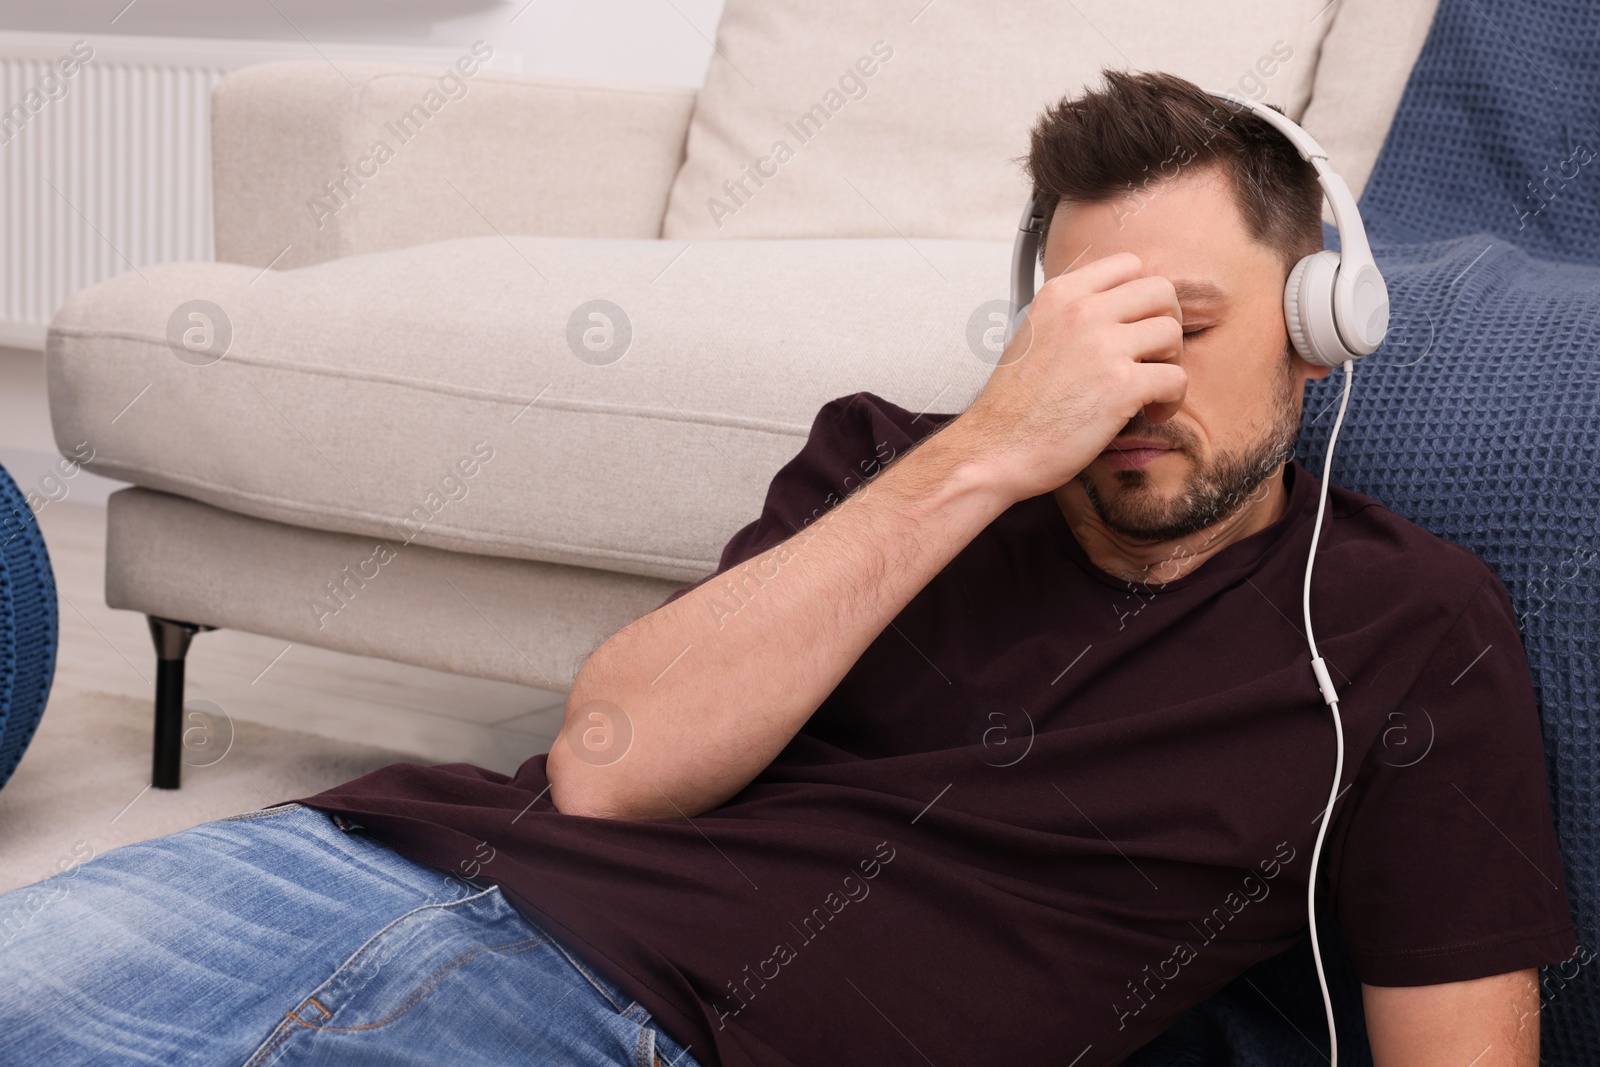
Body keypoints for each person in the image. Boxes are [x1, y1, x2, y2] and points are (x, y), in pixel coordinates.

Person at [0, 69, 1576, 1067]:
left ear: (1322, 334)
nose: (1135, 386)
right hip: (326, 872)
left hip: (624, 1039)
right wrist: (983, 456)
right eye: (1097, 331)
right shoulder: (895, 465)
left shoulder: (1397, 628)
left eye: (1190, 327)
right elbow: (611, 767)